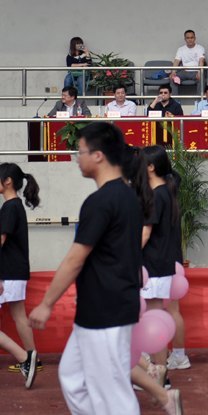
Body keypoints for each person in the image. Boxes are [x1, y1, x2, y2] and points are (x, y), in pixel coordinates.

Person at [29, 122, 155, 414]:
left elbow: (76, 258)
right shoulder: (126, 196)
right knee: (73, 377)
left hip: (106, 307)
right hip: (103, 306)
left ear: (98, 155)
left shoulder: (102, 201)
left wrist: (47, 303)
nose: (77, 158)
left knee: (111, 391)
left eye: (80, 151)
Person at [139, 146, 181, 388]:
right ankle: (159, 376)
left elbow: (145, 232)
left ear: (151, 167)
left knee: (153, 323)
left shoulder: (157, 195)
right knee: (154, 320)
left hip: (153, 267)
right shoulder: (165, 192)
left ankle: (160, 377)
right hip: (159, 266)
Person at [0, 163, 41, 389]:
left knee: (19, 317)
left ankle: (25, 359)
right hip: (15, 270)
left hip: (7, 272)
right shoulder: (15, 206)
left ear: (7, 181)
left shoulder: (9, 207)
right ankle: (32, 359)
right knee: (19, 316)